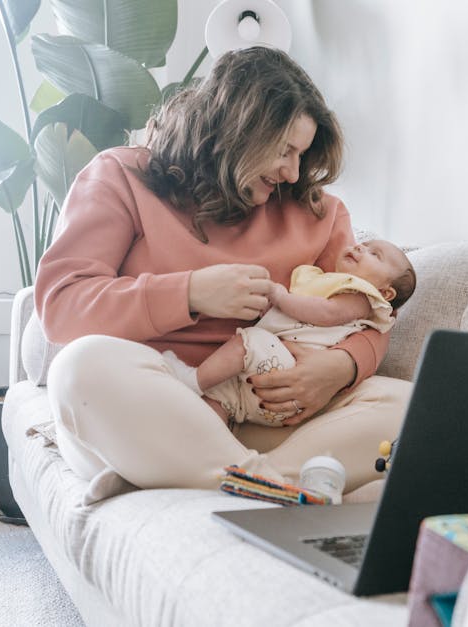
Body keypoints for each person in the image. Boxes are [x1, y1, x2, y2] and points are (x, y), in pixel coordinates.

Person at [35, 46, 413, 495]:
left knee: (410, 404)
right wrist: (190, 293)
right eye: (284, 150)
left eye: (302, 155)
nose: (293, 173)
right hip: (148, 405)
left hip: (262, 413)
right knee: (81, 369)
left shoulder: (320, 214)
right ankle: (264, 483)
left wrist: (341, 366)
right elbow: (62, 305)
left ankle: (226, 478)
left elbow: (365, 312)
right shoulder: (120, 176)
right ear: (236, 130)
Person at [164, 239, 416, 428]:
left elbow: (326, 313)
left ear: (386, 293)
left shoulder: (361, 298)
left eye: (375, 254)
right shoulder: (330, 282)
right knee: (220, 399)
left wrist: (281, 297)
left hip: (291, 375)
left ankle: (192, 380)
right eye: (364, 244)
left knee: (248, 341)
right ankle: (213, 449)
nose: (361, 248)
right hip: (268, 386)